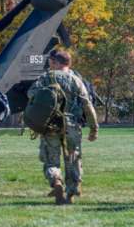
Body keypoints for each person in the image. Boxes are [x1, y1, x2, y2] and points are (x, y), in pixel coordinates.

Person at [28, 49, 98, 204]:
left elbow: (30, 93)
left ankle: (56, 182)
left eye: (50, 62)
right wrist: (94, 128)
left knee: (51, 160)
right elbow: (87, 105)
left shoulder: (46, 77)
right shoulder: (76, 80)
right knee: (73, 159)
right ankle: (71, 194)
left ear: (55, 62)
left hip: (51, 125)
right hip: (72, 125)